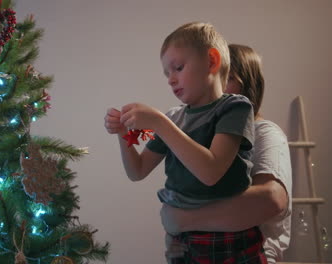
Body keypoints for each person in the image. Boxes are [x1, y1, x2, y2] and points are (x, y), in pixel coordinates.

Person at [104, 22, 266, 262]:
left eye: (178, 67)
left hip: (229, 238)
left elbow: (211, 172)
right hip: (182, 239)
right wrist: (122, 134)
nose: (170, 80)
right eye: (166, 74)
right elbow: (137, 171)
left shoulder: (236, 107)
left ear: (211, 61)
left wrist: (159, 122)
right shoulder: (173, 118)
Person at [161, 44, 292, 263]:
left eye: (226, 78)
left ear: (247, 85)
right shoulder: (197, 131)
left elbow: (271, 199)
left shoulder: (264, 132)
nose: (213, 87)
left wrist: (182, 218)